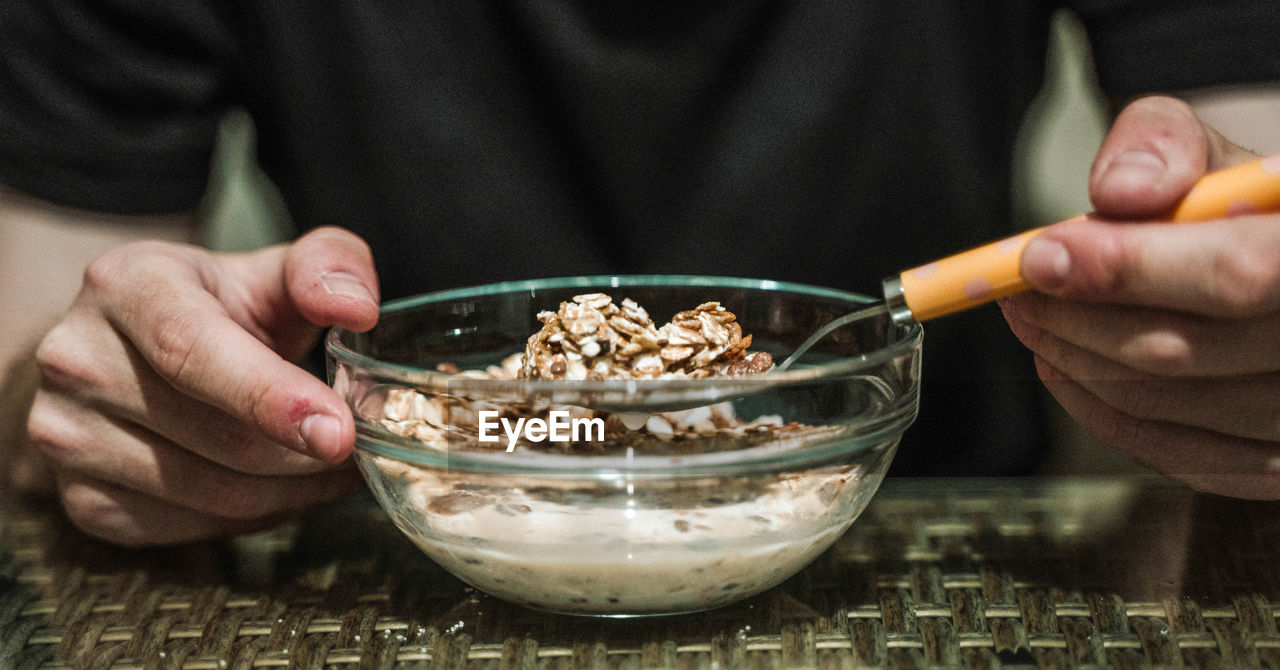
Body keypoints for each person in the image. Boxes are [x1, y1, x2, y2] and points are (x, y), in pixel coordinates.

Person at [0, 3, 1278, 546]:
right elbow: (38, 337)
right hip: (394, 568)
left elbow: (1250, 165)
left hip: (916, 562)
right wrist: (121, 394)